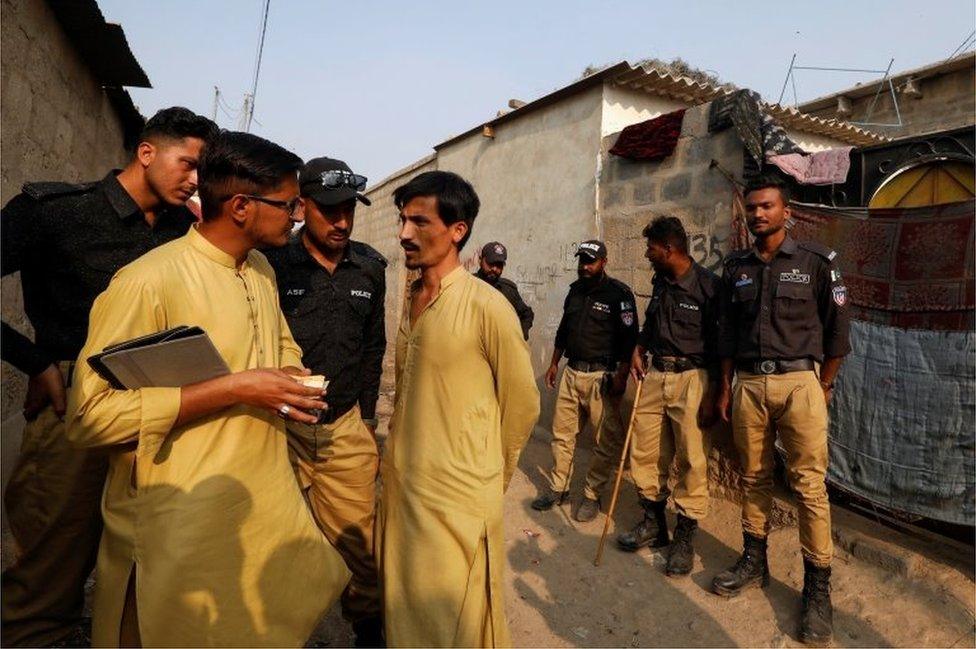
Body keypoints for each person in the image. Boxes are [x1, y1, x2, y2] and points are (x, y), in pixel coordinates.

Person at [65, 131, 350, 647]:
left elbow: (281, 349)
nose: (299, 216)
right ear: (241, 206)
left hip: (254, 512)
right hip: (175, 526)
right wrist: (235, 388)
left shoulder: (259, 269)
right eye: (289, 205)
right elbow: (88, 419)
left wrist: (291, 383)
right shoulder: (148, 281)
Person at [0, 107, 217, 647]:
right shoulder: (54, 211)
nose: (194, 180)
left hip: (161, 408)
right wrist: (35, 361)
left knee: (151, 565)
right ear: (146, 152)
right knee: (49, 570)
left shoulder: (182, 231)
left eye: (202, 171)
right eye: (186, 164)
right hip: (72, 403)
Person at [379, 171, 539, 647]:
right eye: (403, 220)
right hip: (404, 487)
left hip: (458, 499)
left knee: (456, 623)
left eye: (419, 222)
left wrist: (490, 477)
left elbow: (523, 404)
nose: (404, 234)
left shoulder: (487, 306)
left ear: (458, 231)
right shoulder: (412, 296)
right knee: (405, 611)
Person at [711, 178, 850, 646]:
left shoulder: (816, 263)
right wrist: (727, 384)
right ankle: (754, 559)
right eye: (751, 208)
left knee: (809, 485)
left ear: (786, 212)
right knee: (753, 477)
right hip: (748, 382)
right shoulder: (736, 267)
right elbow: (727, 330)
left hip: (799, 384)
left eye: (767, 206)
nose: (757, 214)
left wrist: (824, 384)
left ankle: (817, 588)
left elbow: (837, 332)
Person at [264, 156, 386, 647]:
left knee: (364, 548)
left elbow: (374, 348)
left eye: (349, 211)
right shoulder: (270, 265)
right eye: (330, 210)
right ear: (301, 207)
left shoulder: (371, 268)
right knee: (273, 543)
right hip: (280, 430)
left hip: (343, 429)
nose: (342, 222)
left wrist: (371, 418)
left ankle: (367, 626)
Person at [618, 216, 722, 577]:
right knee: (645, 452)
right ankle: (654, 524)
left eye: (650, 248)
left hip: (693, 379)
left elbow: (723, 345)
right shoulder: (660, 282)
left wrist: (717, 392)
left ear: (669, 249)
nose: (647, 254)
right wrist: (639, 347)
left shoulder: (709, 287)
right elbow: (651, 323)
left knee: (693, 458)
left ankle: (685, 538)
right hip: (654, 375)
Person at [531, 240, 638, 522]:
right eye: (582, 261)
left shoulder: (619, 295)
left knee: (604, 441)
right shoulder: (575, 291)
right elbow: (564, 330)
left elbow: (630, 341)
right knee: (562, 435)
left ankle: (592, 494)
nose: (584, 266)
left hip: (601, 377)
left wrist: (621, 377)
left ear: (604, 261)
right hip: (571, 372)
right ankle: (558, 488)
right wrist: (554, 363)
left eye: (590, 261)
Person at [474, 241, 534, 339]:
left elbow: (527, 314)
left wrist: (520, 336)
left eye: (499, 265)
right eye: (490, 263)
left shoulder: (508, 290)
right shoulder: (468, 285)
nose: (494, 268)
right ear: (480, 260)